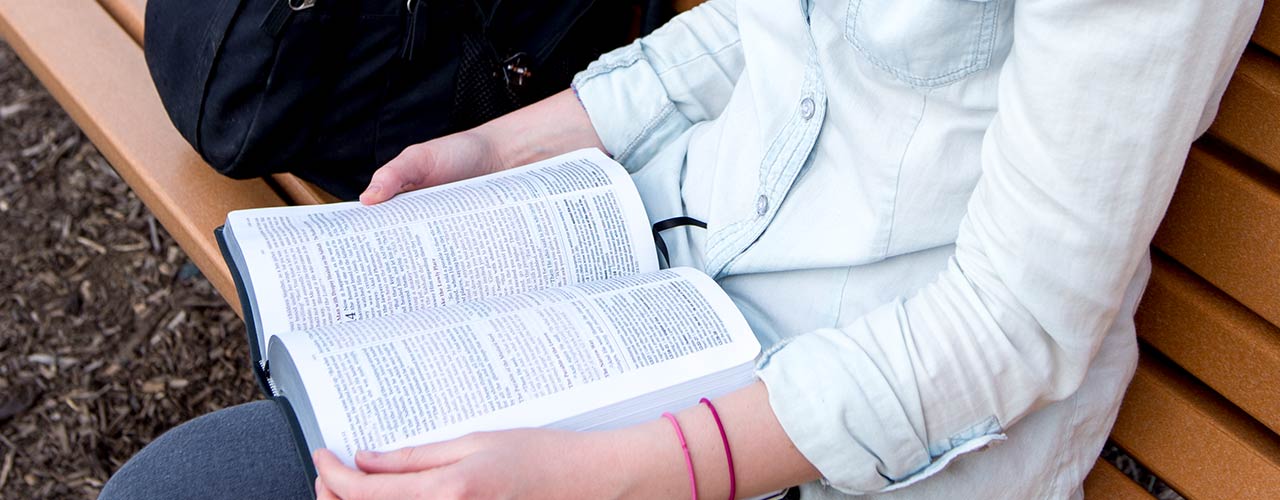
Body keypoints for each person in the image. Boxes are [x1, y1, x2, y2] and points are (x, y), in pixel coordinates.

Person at [102, 0, 1264, 498]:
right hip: (646, 299)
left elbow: (1009, 325)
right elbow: (754, 36)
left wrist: (582, 474)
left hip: (839, 441)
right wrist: (500, 147)